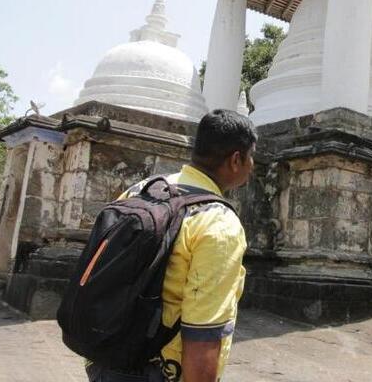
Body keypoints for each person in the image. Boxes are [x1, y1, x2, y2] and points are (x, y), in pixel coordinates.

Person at [86, 109, 257, 382]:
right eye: (251, 157)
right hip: (159, 372)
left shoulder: (142, 188)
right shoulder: (218, 223)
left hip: (105, 359)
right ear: (236, 160)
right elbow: (203, 335)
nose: (252, 165)